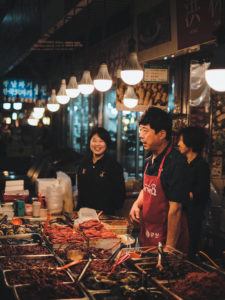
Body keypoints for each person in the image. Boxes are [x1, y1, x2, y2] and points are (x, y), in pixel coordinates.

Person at [129, 107, 189, 253]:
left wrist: (169, 248)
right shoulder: (150, 160)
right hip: (148, 235)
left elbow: (175, 208)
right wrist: (137, 203)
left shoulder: (176, 162)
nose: (141, 136)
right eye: (140, 130)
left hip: (167, 238)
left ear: (162, 134)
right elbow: (147, 189)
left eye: (145, 130)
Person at [178, 126, 210, 259]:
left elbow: (201, 192)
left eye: (181, 140)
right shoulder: (182, 163)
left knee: (189, 250)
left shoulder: (201, 166)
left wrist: (181, 194)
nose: (178, 143)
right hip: (181, 212)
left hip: (193, 216)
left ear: (190, 143)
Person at [77, 127, 125, 215]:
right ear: (89, 142)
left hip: (105, 216)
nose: (97, 144)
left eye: (101, 141)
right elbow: (80, 192)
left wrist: (107, 211)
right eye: (94, 141)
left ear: (107, 143)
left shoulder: (114, 166)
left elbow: (120, 196)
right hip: (83, 215)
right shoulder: (84, 163)